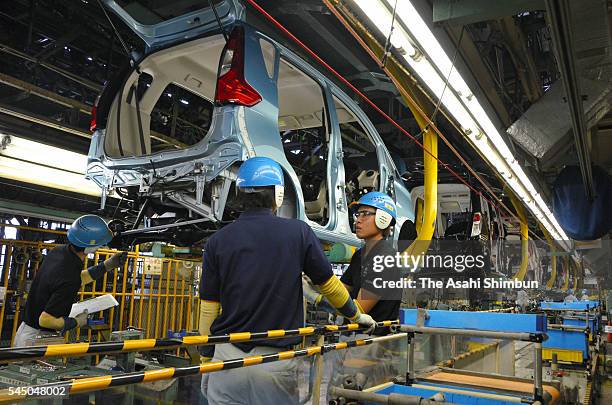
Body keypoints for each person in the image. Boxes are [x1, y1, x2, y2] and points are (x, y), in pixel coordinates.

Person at [199, 157, 375, 405]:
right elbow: (330, 286)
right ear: (278, 194)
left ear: (239, 192)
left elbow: (208, 308)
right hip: (274, 363)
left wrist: (206, 358)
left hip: (225, 360)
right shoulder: (298, 233)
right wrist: (356, 316)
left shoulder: (218, 240)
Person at [13, 215, 127, 347]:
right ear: (91, 247)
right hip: (37, 338)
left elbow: (75, 279)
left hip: (25, 330)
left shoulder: (59, 252)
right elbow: (45, 320)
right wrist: (76, 322)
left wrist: (107, 265)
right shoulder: (69, 275)